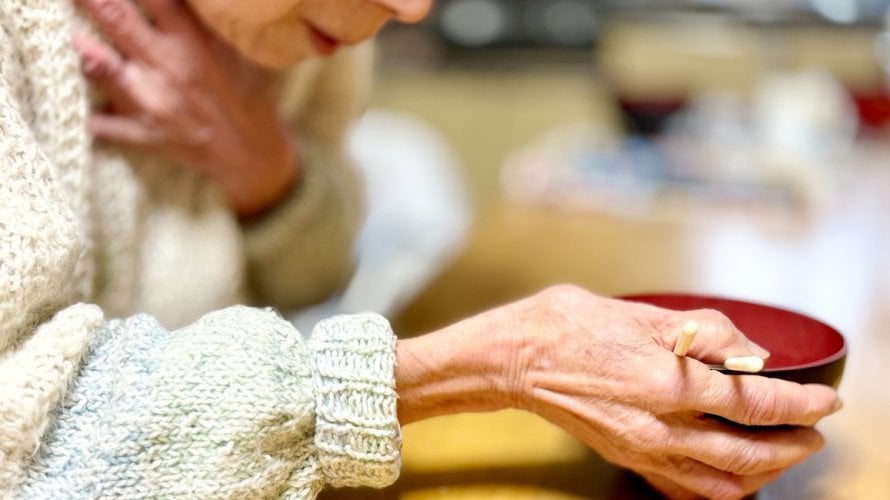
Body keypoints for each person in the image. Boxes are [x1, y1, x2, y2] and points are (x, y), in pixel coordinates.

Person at [0, 0, 841, 499]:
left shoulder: (315, 29)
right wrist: (494, 361)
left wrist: (268, 171)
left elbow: (312, 273)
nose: (411, 10)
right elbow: (26, 444)